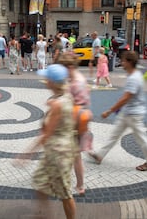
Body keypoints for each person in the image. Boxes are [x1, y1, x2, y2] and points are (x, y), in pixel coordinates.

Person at [15, 64, 77, 219]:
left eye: (46, 78)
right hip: (55, 151)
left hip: (59, 153)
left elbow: (46, 134)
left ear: (51, 81)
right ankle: (42, 215)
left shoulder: (58, 104)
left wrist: (26, 154)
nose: (44, 80)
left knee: (64, 193)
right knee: (40, 183)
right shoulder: (65, 95)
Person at [88, 51, 147, 171]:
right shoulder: (135, 75)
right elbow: (126, 97)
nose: (122, 63)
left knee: (141, 138)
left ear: (130, 62)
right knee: (114, 135)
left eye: (124, 61)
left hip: (134, 114)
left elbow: (126, 98)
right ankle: (99, 155)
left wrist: (109, 111)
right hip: (128, 112)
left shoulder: (134, 78)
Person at [58, 52, 93, 198]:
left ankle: (66, 183)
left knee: (66, 153)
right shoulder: (78, 78)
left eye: (63, 67)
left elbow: (69, 102)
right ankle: (80, 185)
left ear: (70, 66)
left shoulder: (75, 82)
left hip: (74, 122)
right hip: (80, 121)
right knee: (76, 156)